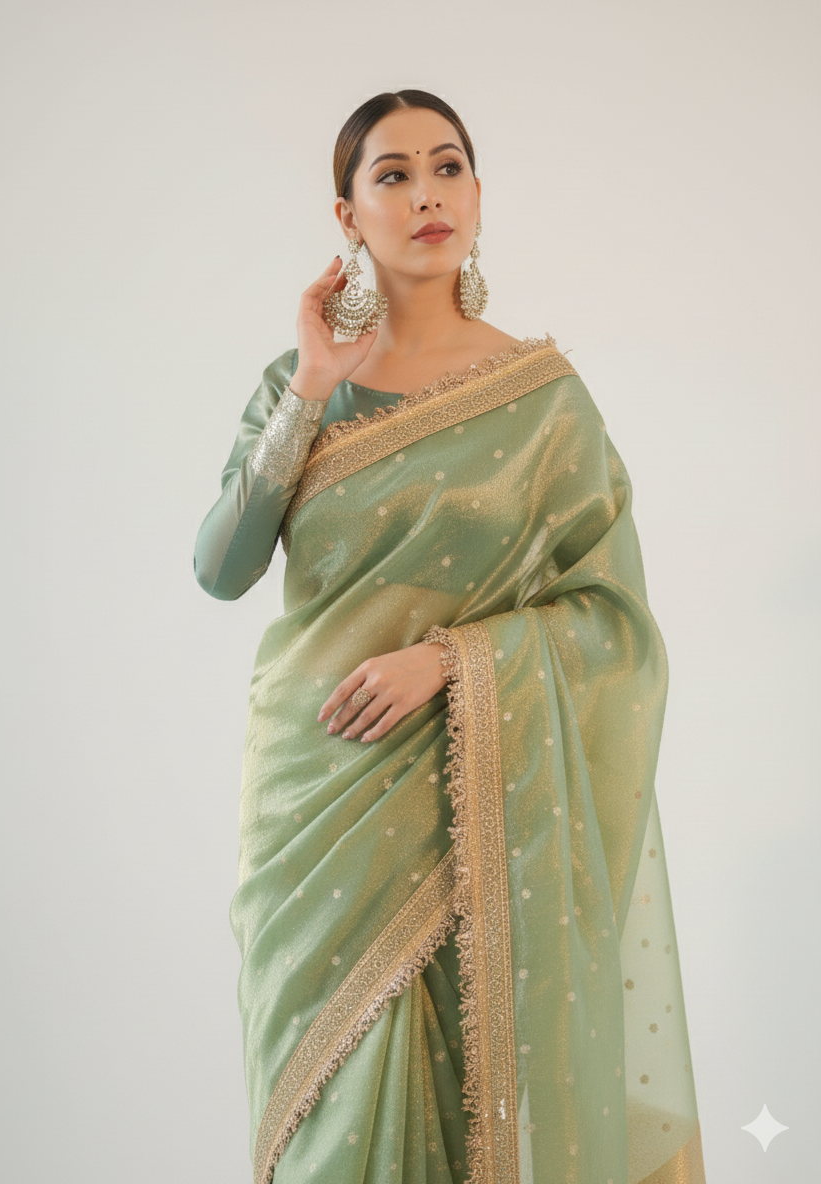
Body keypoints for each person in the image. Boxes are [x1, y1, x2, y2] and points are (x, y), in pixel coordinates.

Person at [193, 89, 706, 1184]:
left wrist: (449, 662)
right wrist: (312, 387)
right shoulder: (296, 385)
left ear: (477, 193)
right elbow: (220, 568)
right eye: (393, 174)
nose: (427, 193)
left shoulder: (543, 402)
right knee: (323, 1120)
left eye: (448, 167)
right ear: (347, 215)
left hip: (468, 791)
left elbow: (614, 623)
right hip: (315, 797)